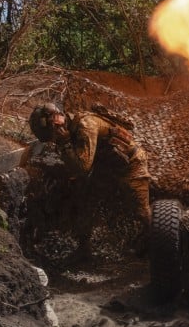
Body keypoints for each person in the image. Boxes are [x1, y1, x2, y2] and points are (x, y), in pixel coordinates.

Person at [28, 102, 152, 243]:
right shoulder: (70, 127)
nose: (54, 140)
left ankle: (152, 239)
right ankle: (84, 249)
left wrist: (65, 142)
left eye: (53, 136)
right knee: (86, 200)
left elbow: (83, 167)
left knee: (141, 211)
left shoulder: (86, 126)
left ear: (58, 121)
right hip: (106, 165)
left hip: (131, 163)